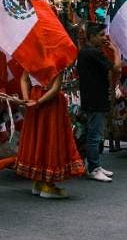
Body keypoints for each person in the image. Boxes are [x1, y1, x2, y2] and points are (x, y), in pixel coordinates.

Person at [17, 70, 86, 199]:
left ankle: (39, 181)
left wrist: (27, 99)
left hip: (34, 97)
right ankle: (47, 184)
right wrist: (38, 102)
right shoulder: (56, 58)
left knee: (37, 138)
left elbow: (24, 79)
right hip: (50, 103)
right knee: (51, 139)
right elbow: (55, 88)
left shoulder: (31, 55)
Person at [76, 23, 119, 182]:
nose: (103, 38)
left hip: (92, 97)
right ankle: (93, 167)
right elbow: (117, 68)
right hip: (95, 98)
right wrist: (116, 51)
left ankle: (95, 165)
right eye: (100, 35)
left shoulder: (86, 52)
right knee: (94, 135)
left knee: (94, 133)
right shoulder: (92, 53)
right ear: (91, 36)